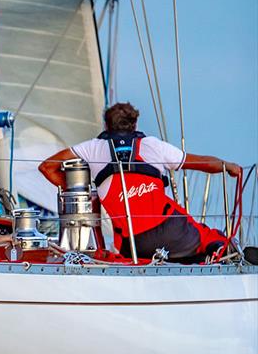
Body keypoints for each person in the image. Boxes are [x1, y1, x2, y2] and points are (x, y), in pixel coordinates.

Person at [39, 101, 243, 262]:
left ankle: (201, 256)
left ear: (106, 125)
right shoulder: (153, 146)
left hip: (133, 245)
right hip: (173, 233)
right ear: (135, 124)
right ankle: (220, 252)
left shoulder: (91, 148)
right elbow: (204, 163)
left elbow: (46, 167)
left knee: (128, 243)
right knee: (209, 236)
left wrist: (80, 192)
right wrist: (229, 166)